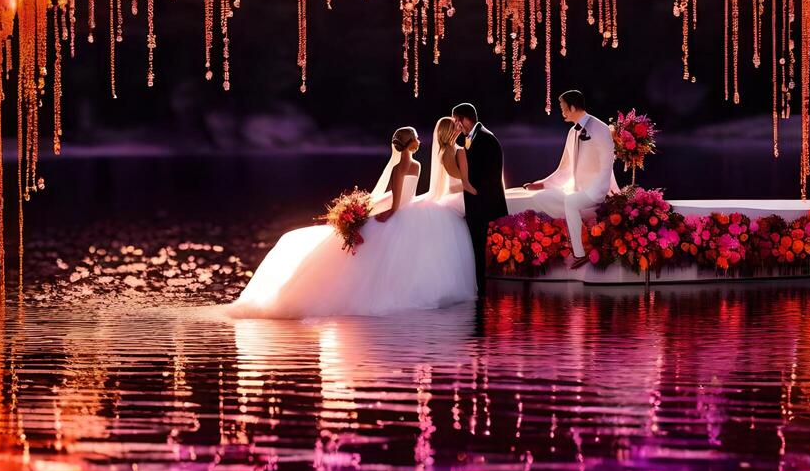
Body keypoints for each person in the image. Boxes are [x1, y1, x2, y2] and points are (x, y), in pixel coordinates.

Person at [227, 126, 476, 319]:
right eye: (415, 138)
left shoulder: (408, 165)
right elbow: (400, 198)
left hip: (403, 209)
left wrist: (392, 210)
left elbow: (400, 198)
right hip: (402, 209)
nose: (419, 141)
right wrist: (389, 213)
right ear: (409, 144)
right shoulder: (409, 166)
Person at [510, 89, 619, 269]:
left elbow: (606, 166)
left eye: (563, 107)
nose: (561, 111)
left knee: (571, 202)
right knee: (542, 197)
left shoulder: (600, 128)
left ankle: (579, 253)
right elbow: (565, 169)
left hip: (598, 190)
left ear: (573, 107)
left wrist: (595, 193)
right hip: (579, 190)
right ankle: (565, 240)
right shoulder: (572, 132)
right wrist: (541, 184)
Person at [451, 103, 508, 292]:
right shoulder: (472, 138)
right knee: (476, 248)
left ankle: (481, 290)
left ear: (463, 120)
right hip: (477, 204)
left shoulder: (486, 139)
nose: (454, 126)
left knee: (479, 248)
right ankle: (479, 288)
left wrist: (475, 193)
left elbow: (491, 176)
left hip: (484, 204)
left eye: (455, 121)